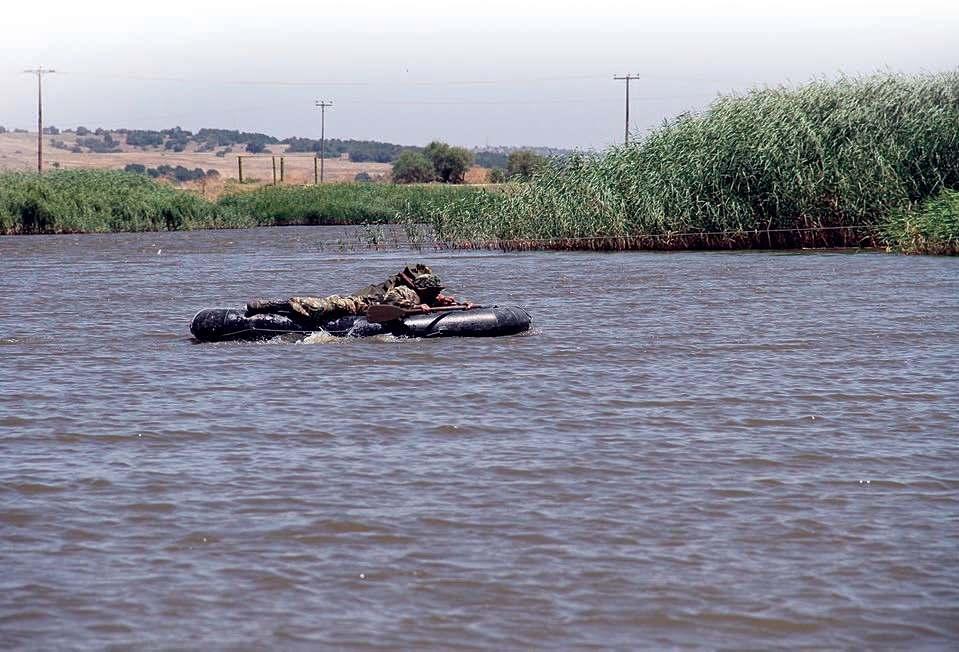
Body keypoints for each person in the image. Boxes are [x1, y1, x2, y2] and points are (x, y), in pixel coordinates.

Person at [245, 264, 471, 327]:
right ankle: (270, 305)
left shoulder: (426, 298)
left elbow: (439, 302)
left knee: (317, 308)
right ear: (424, 290)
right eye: (434, 292)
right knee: (318, 307)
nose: (438, 295)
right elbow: (391, 302)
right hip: (357, 305)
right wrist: (420, 308)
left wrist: (458, 304)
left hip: (364, 306)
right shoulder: (408, 293)